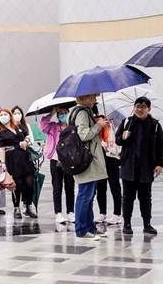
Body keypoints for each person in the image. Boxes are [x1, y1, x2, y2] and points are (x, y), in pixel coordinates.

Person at [116, 97, 163, 235]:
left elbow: (160, 146)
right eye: (137, 106)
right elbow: (117, 141)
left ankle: (147, 224)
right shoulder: (126, 122)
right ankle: (127, 224)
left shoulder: (155, 125)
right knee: (127, 198)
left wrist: (160, 163)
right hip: (128, 166)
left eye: (143, 106)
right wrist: (123, 138)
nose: (139, 109)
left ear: (149, 109)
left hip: (146, 168)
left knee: (145, 197)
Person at [71, 94, 108, 240]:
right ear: (83, 98)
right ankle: (81, 229)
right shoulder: (82, 112)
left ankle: (90, 227)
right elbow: (84, 135)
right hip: (87, 160)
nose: (94, 100)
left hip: (85, 160)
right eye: (92, 97)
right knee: (85, 195)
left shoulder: (79, 111)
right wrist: (99, 126)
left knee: (88, 195)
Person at [0, 108, 37, 219]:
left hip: (24, 157)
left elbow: (27, 136)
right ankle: (16, 208)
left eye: (5, 114)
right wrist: (3, 163)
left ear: (10, 115)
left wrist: (26, 141)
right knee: (17, 184)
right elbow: (1, 148)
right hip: (12, 159)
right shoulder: (0, 131)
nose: (3, 116)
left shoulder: (18, 127)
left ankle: (28, 205)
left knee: (30, 182)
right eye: (1, 115)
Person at [41, 106, 75, 224]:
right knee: (57, 187)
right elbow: (43, 125)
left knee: (70, 187)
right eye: (60, 113)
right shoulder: (53, 127)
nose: (63, 115)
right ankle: (58, 213)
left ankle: (71, 212)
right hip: (55, 160)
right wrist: (52, 112)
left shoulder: (72, 128)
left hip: (69, 161)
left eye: (65, 113)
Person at [95, 114, 122, 225]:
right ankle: (102, 213)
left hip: (111, 159)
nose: (98, 121)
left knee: (115, 187)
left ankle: (117, 214)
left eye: (100, 119)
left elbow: (116, 144)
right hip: (99, 161)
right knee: (100, 188)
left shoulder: (111, 128)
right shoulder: (95, 129)